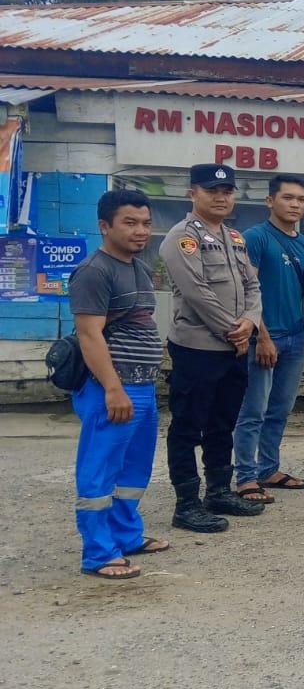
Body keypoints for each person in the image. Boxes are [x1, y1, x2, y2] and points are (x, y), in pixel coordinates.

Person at [68, 190, 168, 579]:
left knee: (134, 467)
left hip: (141, 386)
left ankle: (126, 535)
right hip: (111, 387)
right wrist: (112, 387)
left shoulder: (137, 266)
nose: (141, 231)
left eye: (145, 223)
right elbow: (90, 335)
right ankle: (98, 552)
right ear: (104, 225)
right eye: (130, 222)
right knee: (100, 467)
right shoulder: (95, 270)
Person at [159, 163, 264, 532]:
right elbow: (196, 291)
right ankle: (186, 503)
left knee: (223, 423)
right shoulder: (180, 237)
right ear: (193, 194)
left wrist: (249, 323)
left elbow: (253, 286)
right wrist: (234, 331)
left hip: (233, 349)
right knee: (188, 426)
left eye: (227, 191)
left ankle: (218, 491)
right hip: (198, 348)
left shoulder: (235, 237)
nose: (221, 197)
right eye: (211, 191)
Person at [234, 175, 304, 504]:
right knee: (253, 410)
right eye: (287, 198)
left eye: (301, 199)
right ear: (270, 201)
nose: (295, 204)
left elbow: (302, 290)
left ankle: (269, 468)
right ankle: (245, 476)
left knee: (280, 409)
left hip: (295, 337)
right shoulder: (255, 237)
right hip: (262, 338)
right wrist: (262, 336)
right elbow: (245, 292)